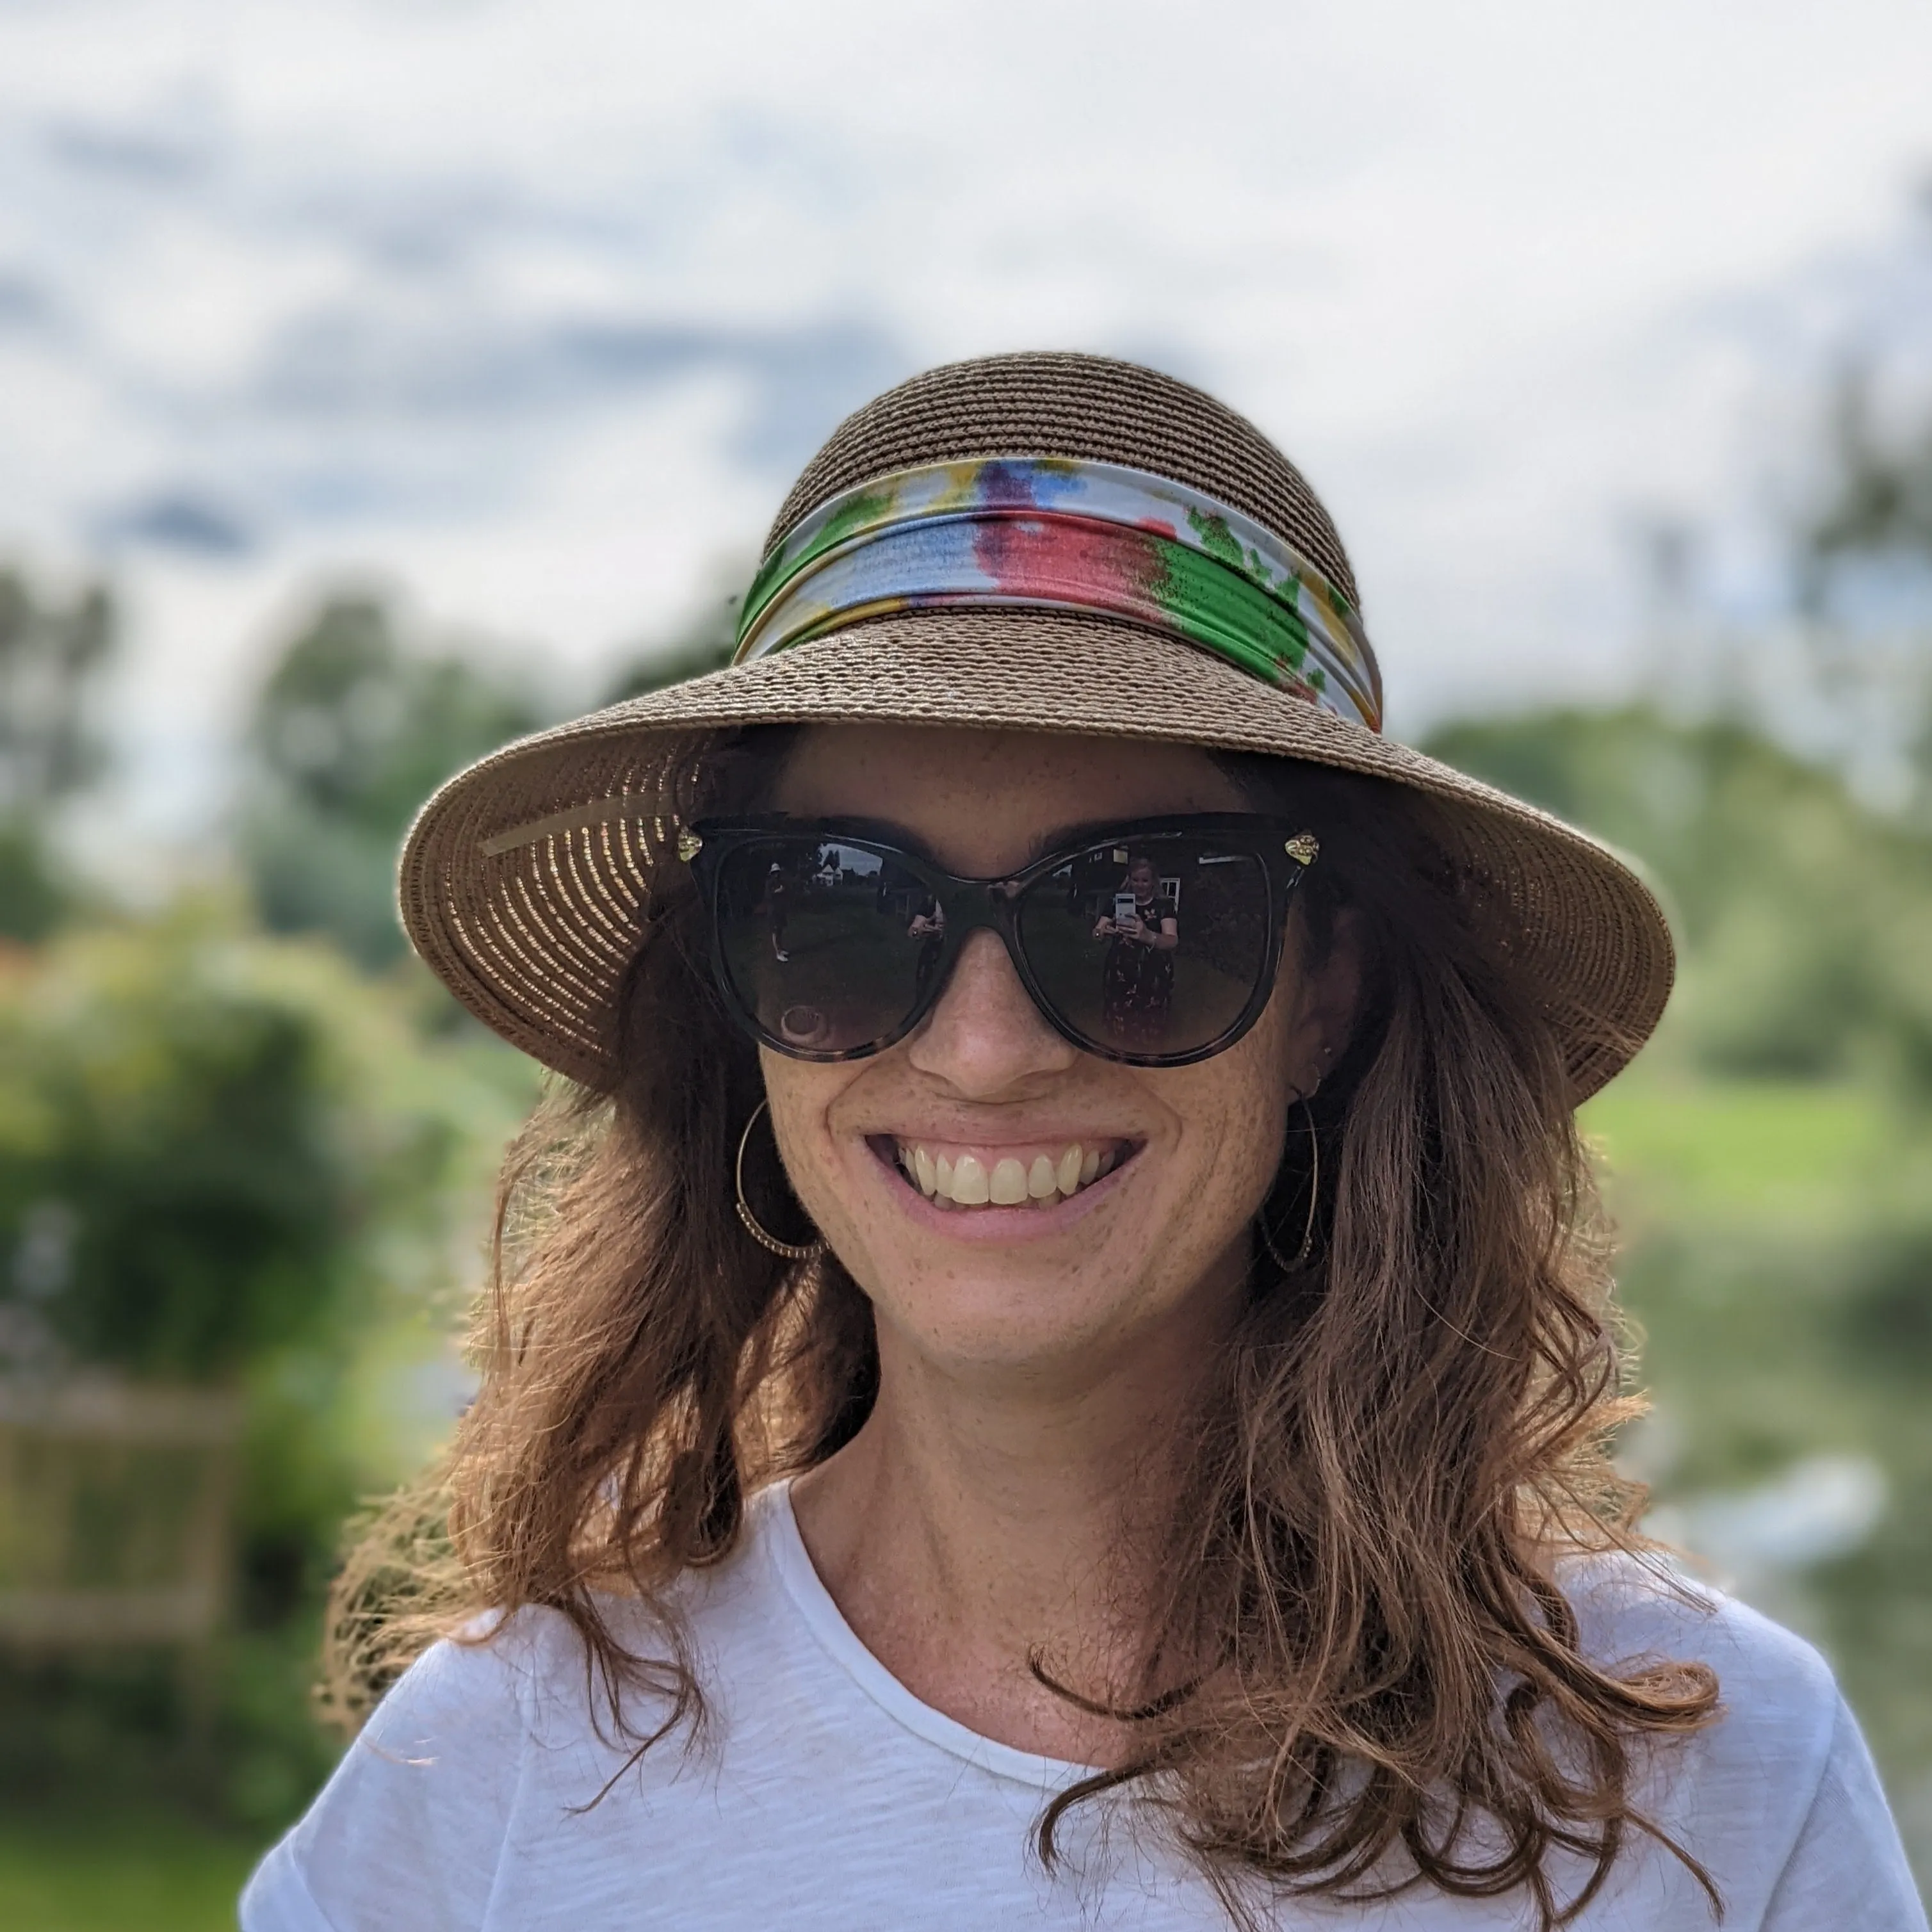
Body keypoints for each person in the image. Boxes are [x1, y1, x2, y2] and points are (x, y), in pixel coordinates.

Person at [243, 353, 1926, 1931]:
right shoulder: (489, 1777)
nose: (983, 1051)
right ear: (735, 994)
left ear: (1324, 991)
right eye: (842, 916)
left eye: (1143, 918)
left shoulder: (1710, 1784)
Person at [1095, 852, 1180, 1049]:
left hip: (1153, 973)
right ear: (1129, 879)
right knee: (1120, 1028)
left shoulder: (1163, 905)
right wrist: (1103, 932)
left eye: (1145, 880)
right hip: (1120, 971)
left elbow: (1172, 941)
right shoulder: (1118, 902)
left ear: (1153, 881)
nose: (1140, 884)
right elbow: (1097, 933)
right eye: (1136, 879)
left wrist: (1148, 935)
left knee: (1150, 1028)